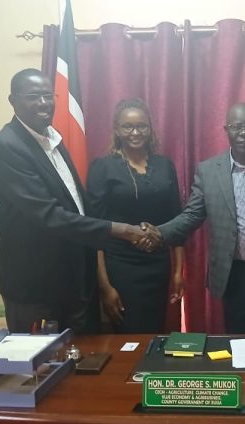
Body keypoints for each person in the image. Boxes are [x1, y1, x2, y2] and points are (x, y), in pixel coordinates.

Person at [0, 68, 148, 333]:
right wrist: (122, 230)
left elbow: (77, 203)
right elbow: (48, 215)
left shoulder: (53, 138)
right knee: (42, 358)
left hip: (75, 280)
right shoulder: (7, 146)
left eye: (48, 95)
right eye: (33, 97)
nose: (44, 103)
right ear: (13, 101)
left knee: (85, 353)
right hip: (36, 288)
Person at [144, 102, 245, 334]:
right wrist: (159, 232)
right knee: (239, 340)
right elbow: (192, 215)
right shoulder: (209, 171)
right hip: (234, 276)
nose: (243, 132)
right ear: (226, 130)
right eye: (236, 126)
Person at [86, 99, 184, 333]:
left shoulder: (165, 166)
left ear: (150, 129)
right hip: (121, 266)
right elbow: (94, 230)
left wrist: (179, 272)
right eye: (128, 126)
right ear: (117, 130)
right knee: (128, 336)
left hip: (158, 265)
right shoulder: (103, 167)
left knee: (155, 330)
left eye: (141, 126)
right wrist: (104, 286)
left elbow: (177, 221)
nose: (135, 132)